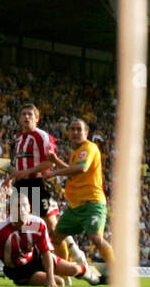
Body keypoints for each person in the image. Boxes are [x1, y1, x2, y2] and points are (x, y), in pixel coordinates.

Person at [8, 102, 90, 271]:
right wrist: (11, 177)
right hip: (20, 186)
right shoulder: (18, 139)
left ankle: (71, 256)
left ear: (37, 119)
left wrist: (27, 172)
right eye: (23, 114)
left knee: (52, 228)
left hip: (36, 184)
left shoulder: (42, 136)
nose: (26, 117)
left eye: (30, 114)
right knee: (21, 225)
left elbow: (49, 162)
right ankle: (22, 263)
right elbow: (18, 165)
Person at [0, 193, 99, 287]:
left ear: (29, 209)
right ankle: (30, 280)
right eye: (17, 206)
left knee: (74, 270)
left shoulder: (38, 224)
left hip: (36, 258)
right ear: (10, 210)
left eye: (24, 206)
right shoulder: (0, 231)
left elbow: (46, 252)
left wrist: (50, 278)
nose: (21, 209)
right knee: (60, 283)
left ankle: (97, 279)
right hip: (19, 270)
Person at [43, 118, 113, 276]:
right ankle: (62, 274)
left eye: (79, 129)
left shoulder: (89, 147)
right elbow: (73, 171)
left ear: (86, 133)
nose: (75, 132)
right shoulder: (76, 153)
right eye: (72, 129)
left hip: (92, 202)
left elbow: (81, 168)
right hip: (75, 206)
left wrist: (54, 172)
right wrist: (56, 161)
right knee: (56, 238)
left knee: (95, 237)